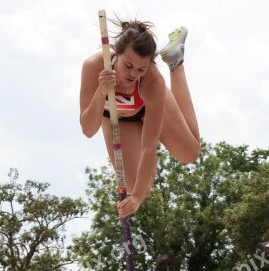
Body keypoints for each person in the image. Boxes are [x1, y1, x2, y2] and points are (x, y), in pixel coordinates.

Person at [80, 18, 200, 218]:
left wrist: (136, 198)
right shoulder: (93, 67)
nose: (133, 74)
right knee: (137, 186)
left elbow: (148, 146)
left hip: (145, 108)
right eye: (128, 66)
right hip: (115, 118)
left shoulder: (152, 82)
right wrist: (100, 92)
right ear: (116, 54)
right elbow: (88, 130)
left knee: (190, 154)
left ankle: (175, 63)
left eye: (141, 69)